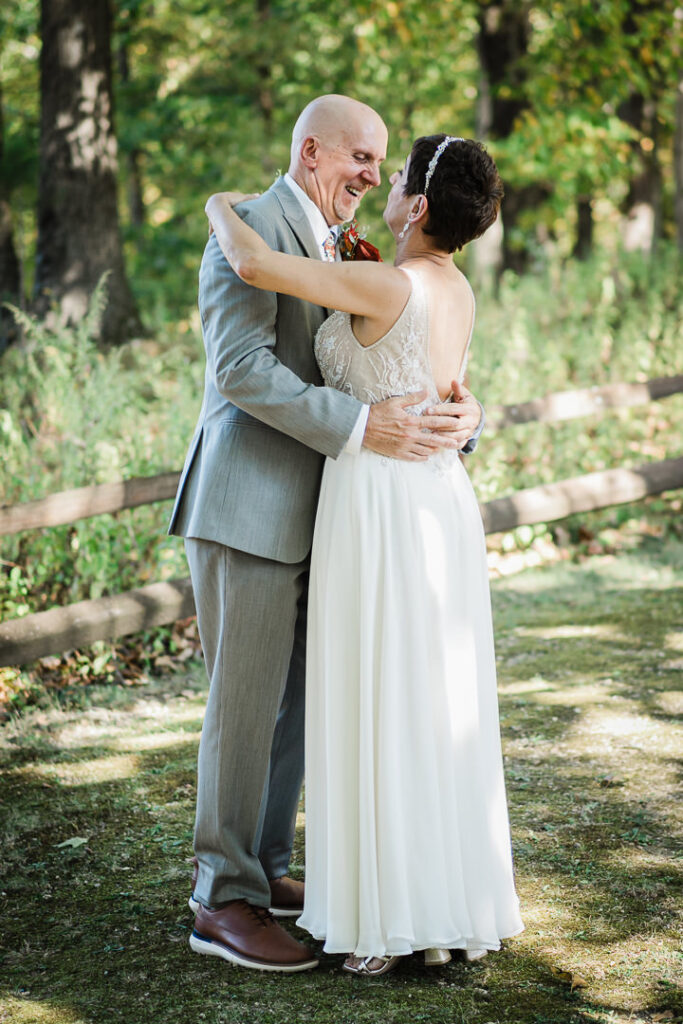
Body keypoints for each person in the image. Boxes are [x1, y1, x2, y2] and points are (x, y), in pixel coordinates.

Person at [168, 97, 484, 973]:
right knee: (244, 711)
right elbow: (240, 370)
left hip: (334, 518)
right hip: (249, 504)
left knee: (296, 712)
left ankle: (265, 871)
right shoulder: (251, 226)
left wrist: (459, 413)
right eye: (360, 158)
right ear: (312, 151)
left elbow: (402, 347)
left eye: (384, 166)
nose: (372, 177)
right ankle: (221, 900)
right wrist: (360, 428)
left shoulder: (356, 250)